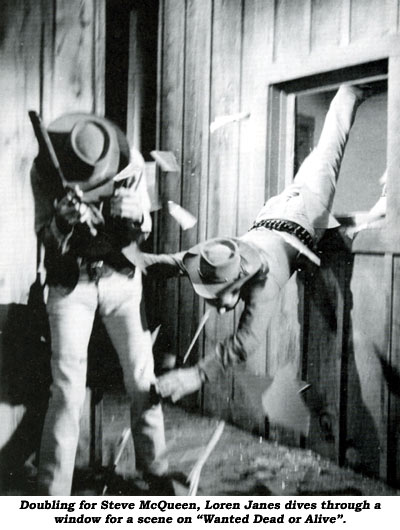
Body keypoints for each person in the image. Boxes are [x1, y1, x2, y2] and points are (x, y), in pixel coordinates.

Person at [144, 84, 370, 402]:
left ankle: (352, 88)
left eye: (220, 299)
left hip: (306, 209)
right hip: (278, 209)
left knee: (330, 143)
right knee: (320, 155)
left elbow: (245, 342)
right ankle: (348, 93)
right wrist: (129, 259)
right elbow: (168, 263)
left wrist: (196, 375)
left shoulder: (265, 283)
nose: (219, 310)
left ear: (239, 285)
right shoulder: (213, 256)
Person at [31, 113, 168, 495]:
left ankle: (157, 476)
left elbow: (145, 225)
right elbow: (44, 235)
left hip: (122, 281)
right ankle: (51, 495)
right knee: (67, 390)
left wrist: (137, 215)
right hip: (70, 286)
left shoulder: (130, 160)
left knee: (143, 378)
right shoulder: (44, 169)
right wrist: (61, 222)